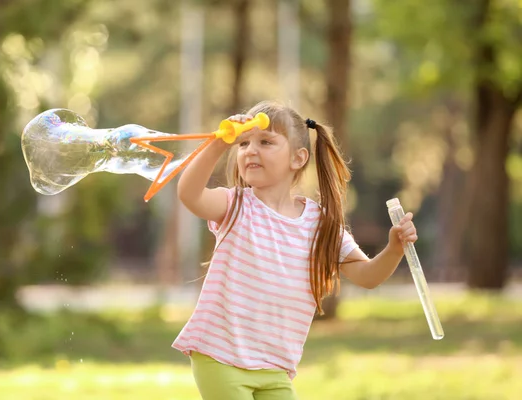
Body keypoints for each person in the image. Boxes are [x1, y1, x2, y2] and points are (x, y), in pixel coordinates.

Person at [172, 100, 418, 400]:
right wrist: (219, 143)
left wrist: (394, 248)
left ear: (298, 158)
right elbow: (189, 193)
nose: (250, 150)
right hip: (221, 357)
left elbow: (368, 276)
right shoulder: (235, 206)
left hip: (275, 367)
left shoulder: (319, 224)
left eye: (265, 141)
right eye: (244, 143)